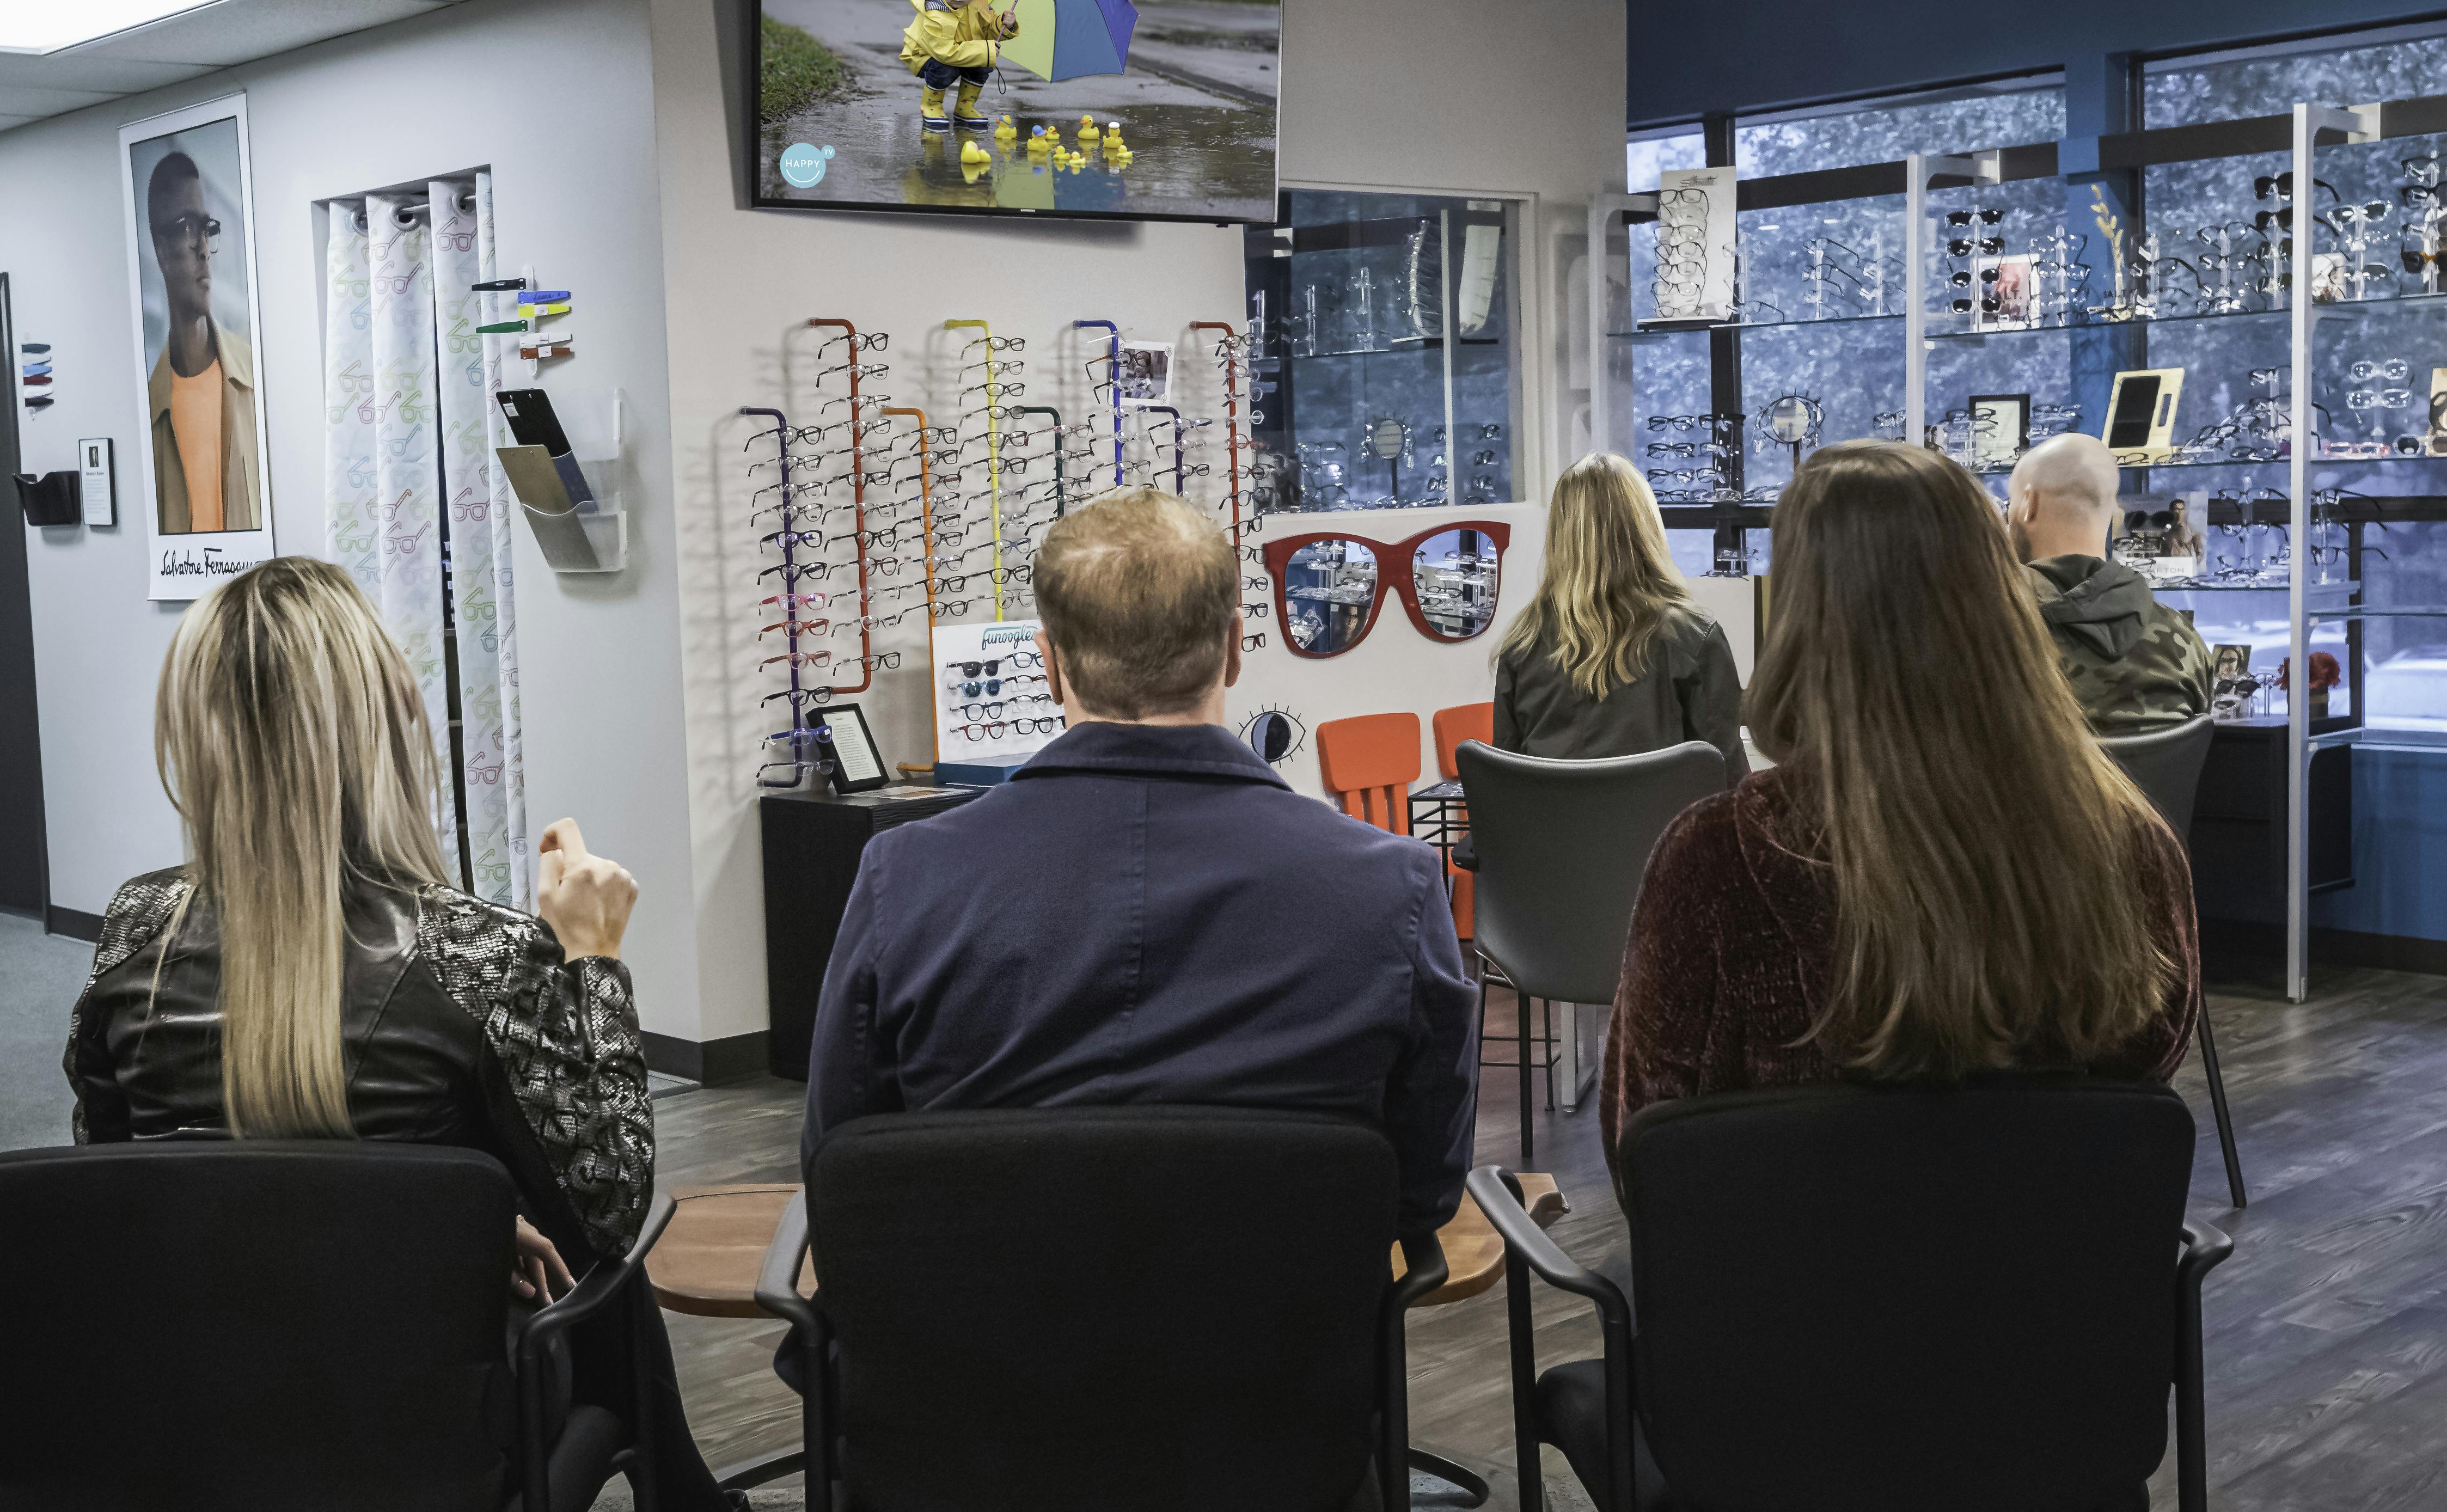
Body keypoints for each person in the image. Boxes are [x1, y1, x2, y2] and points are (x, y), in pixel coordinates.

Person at [63, 557, 736, 1510]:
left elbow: (111, 1179)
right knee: (595, 1278)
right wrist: (590, 959)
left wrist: (416, 1226)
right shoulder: (483, 951)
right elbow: (612, 1215)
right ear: (386, 725)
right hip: (421, 1432)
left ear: (195, 739)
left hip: (187, 1411)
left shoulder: (135, 930)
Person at [804, 487, 1479, 1236]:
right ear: (1232, 647)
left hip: (980, 1343)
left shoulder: (906, 877)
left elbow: (842, 1167)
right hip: (1286, 1347)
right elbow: (1423, 1191)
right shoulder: (1397, 887)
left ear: (1048, 663)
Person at [1602, 441, 2200, 1165]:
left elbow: (1643, 1143)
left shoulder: (1715, 858)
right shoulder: (2133, 845)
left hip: (1786, 1268)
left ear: (1799, 614)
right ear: (2001, 591)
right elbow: (2140, 1089)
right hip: (2053, 1269)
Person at [1491, 451, 1747, 783]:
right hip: (1662, 833)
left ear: (1560, 535)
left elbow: (1504, 784)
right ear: (1645, 528)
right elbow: (1727, 782)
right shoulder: (1692, 637)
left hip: (1548, 833)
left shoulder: (1522, 643)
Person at [2005, 432, 2214, 732]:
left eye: (2011, 502)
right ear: (2114, 513)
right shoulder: (2184, 640)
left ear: (2028, 502)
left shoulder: (1989, 629)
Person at [143, 149, 263, 534]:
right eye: (185, 227)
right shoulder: (151, 409)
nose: (202, 250)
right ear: (161, 250)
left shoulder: (253, 377)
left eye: (206, 228)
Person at [899, 0, 1017, 137]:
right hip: (928, 56)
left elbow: (987, 30)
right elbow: (944, 52)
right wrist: (986, 50)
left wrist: (1003, 24)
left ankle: (965, 107)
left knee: (983, 63)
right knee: (947, 67)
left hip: (960, 50)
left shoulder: (978, 5)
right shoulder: (936, 11)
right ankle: (932, 103)